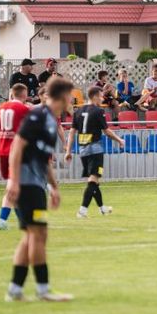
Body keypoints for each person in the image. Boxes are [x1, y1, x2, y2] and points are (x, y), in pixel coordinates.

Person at [4, 76, 73, 302]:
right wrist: (13, 181)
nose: (72, 100)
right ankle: (43, 289)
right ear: (63, 96)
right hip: (26, 184)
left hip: (37, 185)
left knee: (31, 235)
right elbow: (16, 147)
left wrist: (54, 187)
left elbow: (44, 160)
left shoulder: (51, 122)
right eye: (71, 96)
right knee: (38, 234)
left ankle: (15, 289)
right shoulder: (37, 115)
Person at [65, 86, 126, 218]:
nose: (102, 98)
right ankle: (82, 210)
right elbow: (106, 131)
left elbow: (72, 132)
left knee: (95, 181)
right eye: (100, 96)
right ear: (94, 96)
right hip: (95, 149)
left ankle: (102, 208)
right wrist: (119, 140)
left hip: (83, 150)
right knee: (93, 180)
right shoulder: (99, 111)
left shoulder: (78, 111)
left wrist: (68, 150)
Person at [0, 83, 31, 230]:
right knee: (14, 185)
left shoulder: (1, 107)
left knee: (14, 184)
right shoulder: (24, 109)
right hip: (16, 152)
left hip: (2, 151)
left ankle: (19, 220)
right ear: (24, 94)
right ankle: (3, 219)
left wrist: (2, 140)